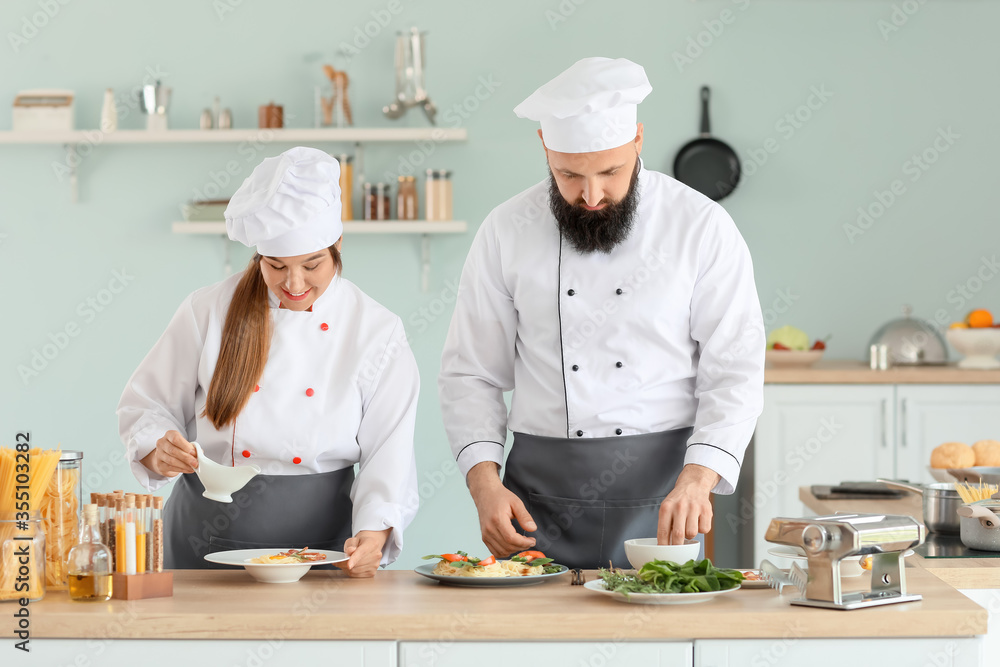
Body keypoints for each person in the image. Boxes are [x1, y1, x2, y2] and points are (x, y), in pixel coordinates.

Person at [438, 57, 765, 569]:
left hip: (664, 498)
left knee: (656, 647)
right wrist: (484, 483)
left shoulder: (700, 226)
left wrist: (699, 479)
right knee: (535, 646)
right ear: (545, 150)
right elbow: (471, 374)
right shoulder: (505, 230)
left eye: (610, 171)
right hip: (535, 504)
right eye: (568, 174)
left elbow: (735, 371)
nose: (591, 196)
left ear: (638, 141)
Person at [118, 147, 419, 577]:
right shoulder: (208, 310)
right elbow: (145, 404)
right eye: (276, 267)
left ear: (336, 247)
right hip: (205, 539)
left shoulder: (376, 330)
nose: (293, 284)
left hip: (323, 546)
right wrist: (156, 449)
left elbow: (389, 451)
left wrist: (375, 533)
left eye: (311, 265)